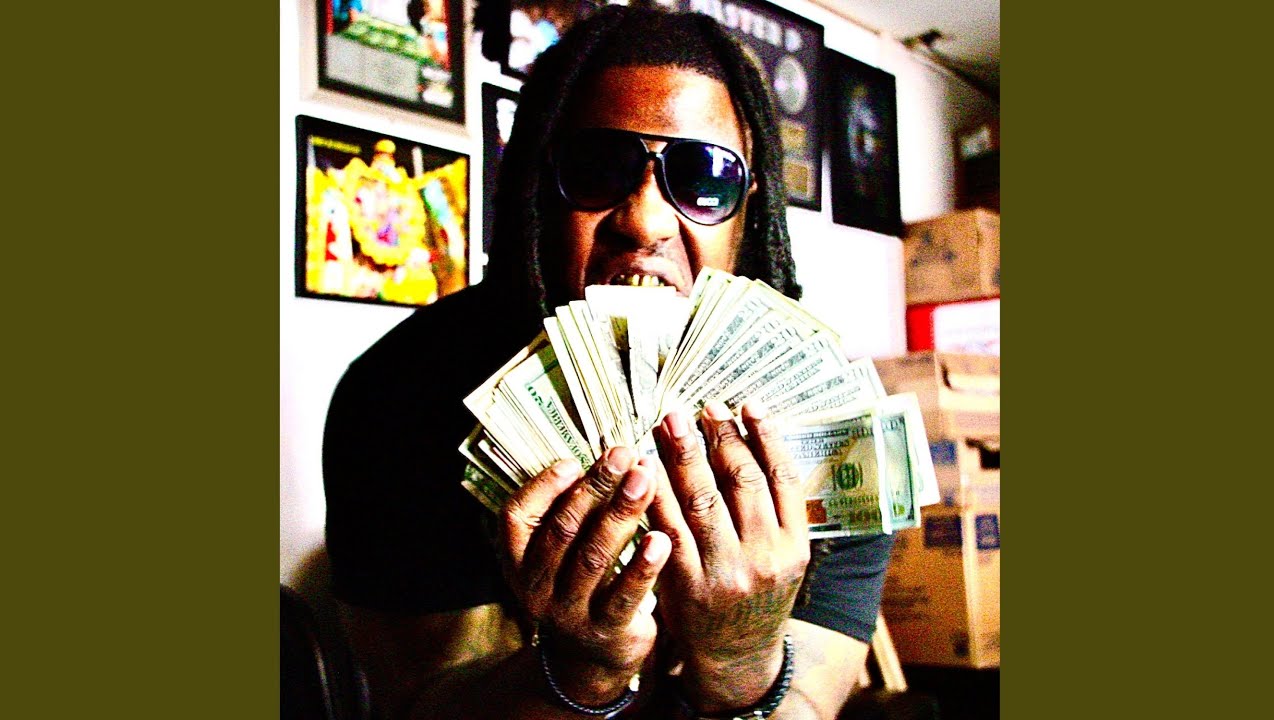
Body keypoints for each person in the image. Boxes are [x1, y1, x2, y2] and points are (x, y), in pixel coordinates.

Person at [322, 6, 894, 719]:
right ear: (538, 185)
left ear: (749, 205)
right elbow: (414, 705)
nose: (645, 221)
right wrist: (578, 675)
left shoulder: (829, 415)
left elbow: (807, 703)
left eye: (704, 176)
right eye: (597, 168)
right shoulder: (401, 393)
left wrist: (742, 660)